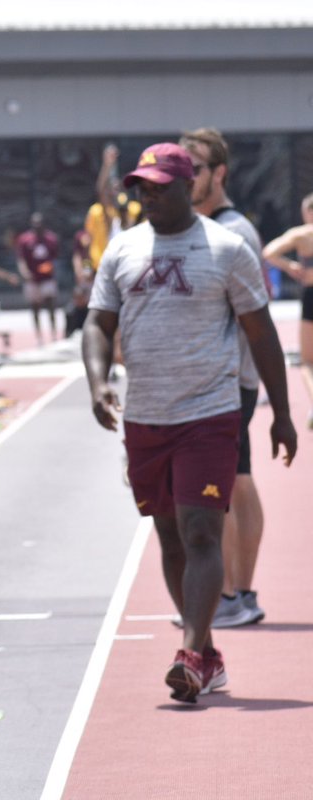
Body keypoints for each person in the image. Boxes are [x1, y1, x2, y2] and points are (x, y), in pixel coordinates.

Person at [82, 142, 296, 704]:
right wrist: (98, 381)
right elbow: (98, 325)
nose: (147, 196)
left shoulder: (226, 249)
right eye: (141, 188)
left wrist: (283, 414)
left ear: (186, 186)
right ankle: (205, 654)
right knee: (171, 537)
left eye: (158, 186)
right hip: (146, 416)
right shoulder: (123, 250)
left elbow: (261, 334)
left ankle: (191, 650)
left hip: (209, 412)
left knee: (202, 530)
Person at [180, 128, 269, 628]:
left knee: (232, 484)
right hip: (219, 379)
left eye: (195, 168)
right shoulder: (204, 226)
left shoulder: (235, 231)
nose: (186, 177)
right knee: (235, 480)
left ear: (219, 174)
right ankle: (236, 593)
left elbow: (252, 316)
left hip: (232, 378)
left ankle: (240, 594)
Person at [261, 192, 313, 430]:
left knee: (307, 362)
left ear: (307, 213)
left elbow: (269, 252)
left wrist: (291, 267)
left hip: (310, 295)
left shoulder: (302, 235)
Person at [84, 143, 143, 269]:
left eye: (119, 189)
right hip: (109, 268)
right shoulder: (110, 218)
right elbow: (100, 190)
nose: (116, 192)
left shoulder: (134, 212)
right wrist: (107, 166)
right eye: (113, 189)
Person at [15, 212, 61, 343]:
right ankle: (39, 335)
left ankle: (53, 334)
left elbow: (55, 258)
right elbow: (21, 259)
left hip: (47, 278)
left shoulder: (51, 239)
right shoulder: (25, 240)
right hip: (32, 279)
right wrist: (24, 273)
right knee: (35, 307)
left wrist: (51, 267)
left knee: (51, 304)